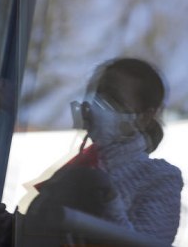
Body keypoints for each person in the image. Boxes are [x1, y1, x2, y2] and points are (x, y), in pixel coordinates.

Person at [18, 57, 183, 246]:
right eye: (98, 94)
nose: (96, 106)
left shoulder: (160, 177)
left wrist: (106, 199)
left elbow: (147, 244)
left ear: (144, 117)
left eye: (113, 99)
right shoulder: (79, 166)